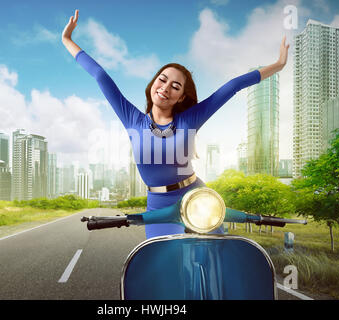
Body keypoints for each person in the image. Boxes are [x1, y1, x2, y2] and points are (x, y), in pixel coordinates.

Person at [62, 10, 289, 239]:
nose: (165, 87)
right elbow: (100, 75)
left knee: (216, 254)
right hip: (159, 207)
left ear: (181, 97)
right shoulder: (133, 119)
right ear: (153, 83)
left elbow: (232, 86)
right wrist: (67, 40)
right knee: (161, 261)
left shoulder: (189, 119)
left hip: (198, 198)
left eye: (175, 86)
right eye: (162, 79)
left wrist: (279, 65)